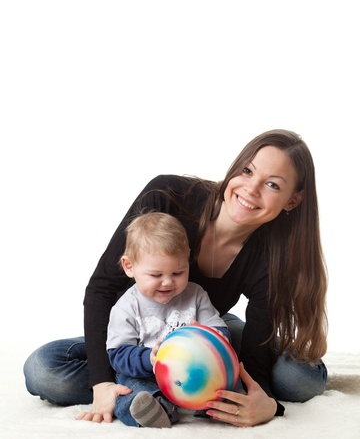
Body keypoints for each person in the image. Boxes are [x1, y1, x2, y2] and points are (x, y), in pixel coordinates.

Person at [23, 129, 328, 427]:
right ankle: (150, 388)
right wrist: (101, 383)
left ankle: (176, 384)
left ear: (292, 200)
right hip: (141, 334)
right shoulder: (168, 196)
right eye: (247, 170)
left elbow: (257, 347)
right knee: (44, 370)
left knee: (300, 379)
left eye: (273, 185)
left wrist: (265, 404)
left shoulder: (272, 254)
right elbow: (103, 288)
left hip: (208, 328)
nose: (251, 188)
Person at [106, 211, 231, 428]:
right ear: (129, 266)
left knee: (228, 380)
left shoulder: (196, 294)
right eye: (156, 275)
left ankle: (213, 406)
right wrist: (149, 359)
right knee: (130, 390)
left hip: (196, 371)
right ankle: (157, 409)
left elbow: (219, 329)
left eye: (178, 273)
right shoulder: (127, 306)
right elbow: (118, 354)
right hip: (147, 375)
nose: (167, 283)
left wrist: (209, 335)